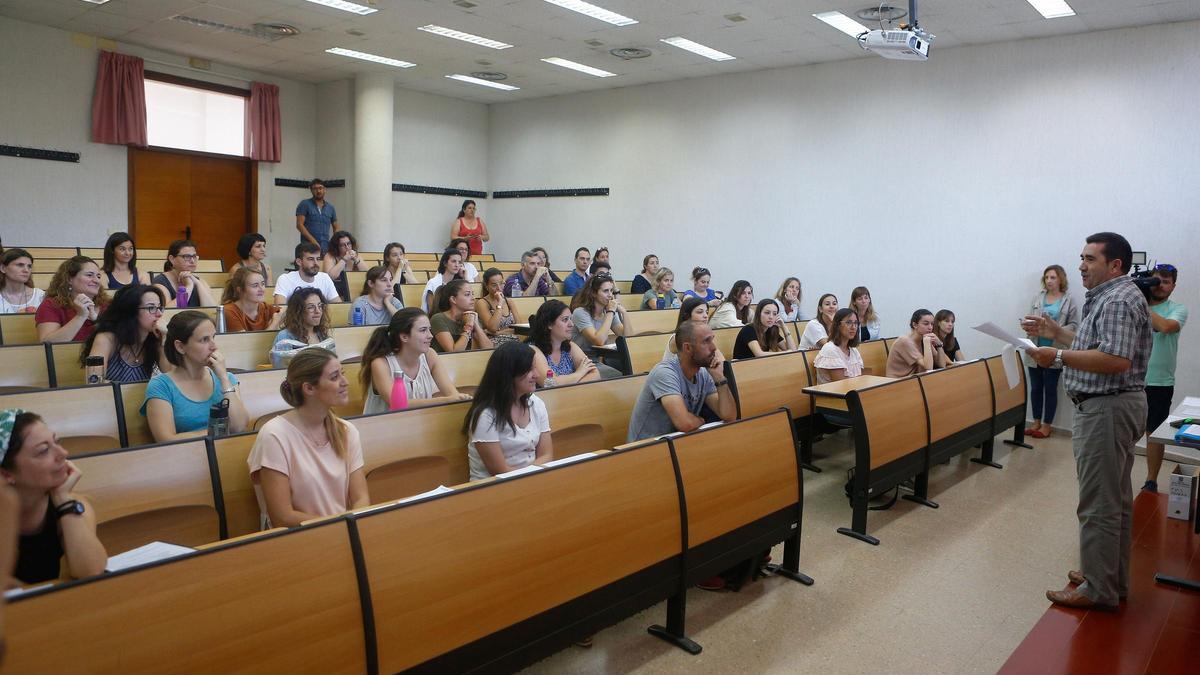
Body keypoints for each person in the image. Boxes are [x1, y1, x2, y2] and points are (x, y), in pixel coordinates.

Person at [1023, 232, 1151, 611]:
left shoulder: (1118, 299)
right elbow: (1095, 342)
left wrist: (1058, 354)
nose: (1080, 265)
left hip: (1107, 408)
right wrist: (1056, 333)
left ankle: (1098, 588)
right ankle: (1108, 575)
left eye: (1090, 259)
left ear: (1115, 265)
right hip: (1108, 407)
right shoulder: (1114, 296)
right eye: (1081, 257)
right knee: (1115, 499)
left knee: (1099, 503)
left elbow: (1115, 359)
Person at [248, 349, 369, 527]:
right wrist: (339, 526)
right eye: (335, 377)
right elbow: (282, 516)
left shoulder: (347, 431)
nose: (345, 382)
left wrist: (345, 528)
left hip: (342, 531)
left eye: (342, 374)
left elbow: (361, 498)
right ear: (309, 388)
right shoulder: (274, 435)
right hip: (298, 539)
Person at [0, 410, 106, 584]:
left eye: (57, 442)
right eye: (43, 451)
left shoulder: (72, 504)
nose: (63, 453)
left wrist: (63, 498)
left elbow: (92, 570)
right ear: (5, 474)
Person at [142, 310, 248, 442]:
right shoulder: (161, 386)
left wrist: (224, 379)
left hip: (226, 453)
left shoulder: (227, 378)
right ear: (180, 347)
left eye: (213, 338)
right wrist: (216, 431)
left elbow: (239, 427)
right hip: (185, 457)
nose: (214, 346)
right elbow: (165, 440)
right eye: (204, 340)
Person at [627, 320, 737, 442]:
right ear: (688, 348)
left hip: (678, 443)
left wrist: (720, 378)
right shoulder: (665, 372)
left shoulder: (703, 373)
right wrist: (702, 420)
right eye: (706, 341)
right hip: (645, 449)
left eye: (712, 339)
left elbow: (729, 415)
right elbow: (685, 424)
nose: (714, 347)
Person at [463, 342, 553, 480]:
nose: (537, 374)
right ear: (509, 374)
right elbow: (500, 471)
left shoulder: (536, 403)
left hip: (530, 480)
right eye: (529, 369)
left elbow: (547, 455)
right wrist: (534, 476)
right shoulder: (486, 415)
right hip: (494, 488)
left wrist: (534, 479)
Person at [360, 308, 471, 414]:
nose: (430, 336)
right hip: (380, 429)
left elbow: (451, 393)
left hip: (418, 425)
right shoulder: (380, 363)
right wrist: (445, 400)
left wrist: (459, 399)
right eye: (423, 330)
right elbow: (396, 403)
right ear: (404, 336)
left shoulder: (430, 355)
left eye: (429, 330)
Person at [1140, 264, 1187, 493]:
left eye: (1166, 282)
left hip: (1160, 382)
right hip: (1131, 379)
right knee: (1125, 431)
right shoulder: (1136, 304)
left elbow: (1167, 327)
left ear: (1173, 286)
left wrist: (1140, 303)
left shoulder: (1177, 309)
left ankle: (1151, 480)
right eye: (1156, 281)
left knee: (1154, 434)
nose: (1160, 286)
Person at [1021, 265, 1079, 439]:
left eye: (1053, 277)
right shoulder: (1038, 298)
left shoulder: (1069, 300)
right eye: (1046, 278)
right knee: (1036, 388)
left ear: (1061, 279)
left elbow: (1075, 326)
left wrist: (1055, 329)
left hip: (1055, 352)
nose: (1049, 281)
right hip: (1035, 350)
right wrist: (1027, 325)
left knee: (1050, 388)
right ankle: (1036, 422)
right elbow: (1031, 319)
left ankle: (1047, 425)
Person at [80, 284, 171, 383]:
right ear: (131, 312)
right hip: (109, 397)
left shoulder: (156, 339)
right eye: (151, 308)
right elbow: (94, 381)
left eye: (160, 308)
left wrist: (165, 339)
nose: (159, 314)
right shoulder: (106, 338)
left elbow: (171, 377)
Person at [35, 256, 108, 343]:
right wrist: (80, 316)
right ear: (69, 279)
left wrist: (97, 321)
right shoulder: (51, 305)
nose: (97, 281)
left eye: (98, 276)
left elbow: (119, 339)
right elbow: (47, 344)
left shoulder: (108, 305)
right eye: (89, 275)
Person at [527, 300, 599, 387]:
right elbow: (550, 384)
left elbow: (595, 374)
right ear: (549, 324)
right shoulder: (533, 350)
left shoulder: (571, 346)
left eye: (570, 319)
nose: (571, 324)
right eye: (565, 320)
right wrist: (579, 373)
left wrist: (570, 383)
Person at [570, 274, 630, 376]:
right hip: (579, 361)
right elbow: (599, 341)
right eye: (605, 291)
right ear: (593, 293)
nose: (610, 295)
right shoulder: (580, 313)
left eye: (611, 291)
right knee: (618, 376)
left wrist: (624, 313)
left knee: (630, 370)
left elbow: (628, 337)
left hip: (596, 360)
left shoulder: (607, 312)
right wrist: (611, 311)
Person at [271, 288, 336, 368]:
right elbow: (280, 370)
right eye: (311, 307)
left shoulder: (321, 334)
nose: (318, 311)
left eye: (320, 306)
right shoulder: (285, 337)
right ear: (298, 311)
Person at [151, 240, 218, 309]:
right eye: (187, 256)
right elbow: (171, 312)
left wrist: (198, 284)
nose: (192, 261)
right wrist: (189, 286)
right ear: (172, 259)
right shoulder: (160, 282)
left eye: (194, 256)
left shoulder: (200, 281)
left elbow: (211, 311)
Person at [431, 279, 493, 353]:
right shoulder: (438, 319)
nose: (473, 298)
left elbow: (489, 349)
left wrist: (475, 324)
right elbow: (453, 352)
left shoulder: (471, 317)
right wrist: (468, 327)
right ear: (453, 299)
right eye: (467, 294)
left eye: (472, 294)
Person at [886, 309, 950, 377]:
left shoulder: (924, 338)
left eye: (932, 324)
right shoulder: (905, 341)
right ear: (915, 325)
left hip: (915, 380)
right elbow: (928, 367)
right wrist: (927, 343)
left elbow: (942, 365)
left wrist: (939, 344)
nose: (930, 327)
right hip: (897, 382)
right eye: (926, 324)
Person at [274, 242, 340, 305]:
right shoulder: (285, 279)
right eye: (311, 259)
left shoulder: (325, 278)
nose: (316, 263)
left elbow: (338, 306)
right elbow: (280, 309)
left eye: (318, 259)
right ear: (299, 262)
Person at [221, 267, 280, 332]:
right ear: (240, 290)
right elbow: (246, 341)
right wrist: (275, 322)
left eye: (263, 284)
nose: (261, 289)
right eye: (255, 285)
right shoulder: (228, 312)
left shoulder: (267, 308)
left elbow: (283, 312)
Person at [814, 309, 865, 383]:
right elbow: (841, 385)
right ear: (838, 325)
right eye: (848, 322)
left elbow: (860, 379)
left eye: (856, 323)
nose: (853, 327)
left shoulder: (853, 350)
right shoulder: (830, 349)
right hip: (835, 393)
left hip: (853, 391)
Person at [475, 268, 524, 345]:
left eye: (501, 283)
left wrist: (499, 332)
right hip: (495, 342)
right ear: (486, 286)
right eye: (494, 285)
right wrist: (500, 304)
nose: (499, 288)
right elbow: (492, 328)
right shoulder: (482, 303)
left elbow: (520, 328)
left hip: (514, 340)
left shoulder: (509, 301)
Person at [296, 178, 338, 255]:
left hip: (325, 248)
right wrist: (314, 242)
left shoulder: (330, 207)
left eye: (320, 188)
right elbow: (299, 225)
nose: (318, 191)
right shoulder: (304, 204)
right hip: (308, 246)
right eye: (315, 189)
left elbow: (336, 227)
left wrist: (334, 243)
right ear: (311, 191)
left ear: (325, 190)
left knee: (325, 267)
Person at [323, 230, 369, 302]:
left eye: (348, 244)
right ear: (336, 246)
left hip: (352, 288)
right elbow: (330, 277)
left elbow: (367, 273)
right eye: (342, 245)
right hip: (335, 291)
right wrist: (344, 259)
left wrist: (356, 260)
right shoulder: (330, 256)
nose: (347, 247)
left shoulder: (355, 254)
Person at [0, 248, 45, 314]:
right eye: (20, 265)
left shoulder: (40, 296)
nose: (26, 270)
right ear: (3, 268)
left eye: (29, 266)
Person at [422, 247, 464, 313]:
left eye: (459, 262)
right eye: (453, 261)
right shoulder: (433, 283)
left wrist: (464, 277)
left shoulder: (459, 283)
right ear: (445, 263)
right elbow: (432, 311)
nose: (457, 265)